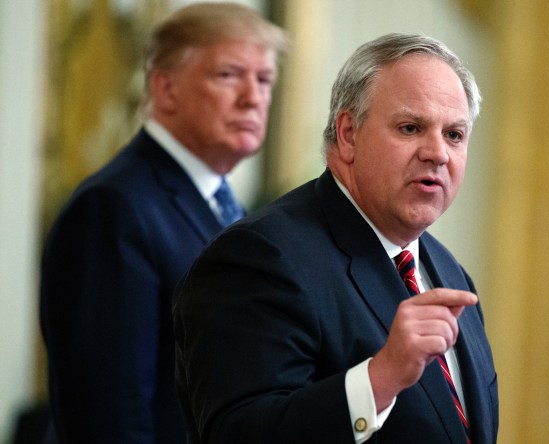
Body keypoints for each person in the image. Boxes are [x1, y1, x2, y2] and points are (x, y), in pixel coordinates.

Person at [173, 32, 498, 443]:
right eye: (411, 127)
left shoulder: (450, 274)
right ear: (348, 133)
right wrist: (379, 380)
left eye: (454, 134)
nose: (438, 152)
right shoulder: (259, 257)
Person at [39, 3, 289, 442]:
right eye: (229, 75)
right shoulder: (112, 209)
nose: (253, 96)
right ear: (166, 88)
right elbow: (107, 414)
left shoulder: (232, 210)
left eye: (264, 79)